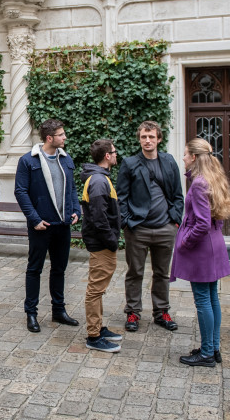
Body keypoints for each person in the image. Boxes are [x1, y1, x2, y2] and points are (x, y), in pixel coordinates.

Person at [14, 118, 82, 333]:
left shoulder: (66, 159)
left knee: (59, 269)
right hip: (41, 225)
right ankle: (31, 314)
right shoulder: (28, 161)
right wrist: (34, 219)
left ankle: (58, 310)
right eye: (61, 134)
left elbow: (71, 188)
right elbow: (21, 192)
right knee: (34, 269)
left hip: (63, 224)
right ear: (49, 138)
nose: (65, 137)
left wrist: (76, 210)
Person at [116, 121, 184, 333]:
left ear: (159, 139)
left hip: (165, 228)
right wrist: (127, 222)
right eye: (144, 137)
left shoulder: (169, 161)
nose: (148, 141)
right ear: (139, 138)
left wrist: (175, 220)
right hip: (138, 229)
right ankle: (133, 312)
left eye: (152, 137)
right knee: (135, 272)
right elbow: (121, 197)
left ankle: (161, 311)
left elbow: (177, 195)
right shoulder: (130, 163)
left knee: (162, 273)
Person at [172, 138, 230, 367]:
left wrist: (185, 242)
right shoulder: (212, 177)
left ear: (194, 158)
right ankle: (213, 347)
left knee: (203, 301)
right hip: (213, 245)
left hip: (202, 248)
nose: (184, 158)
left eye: (186, 154)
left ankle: (207, 353)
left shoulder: (198, 183)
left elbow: (202, 222)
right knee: (212, 298)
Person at [79, 139, 124, 353]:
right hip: (101, 244)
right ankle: (93, 336)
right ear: (107, 155)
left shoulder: (100, 178)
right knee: (95, 290)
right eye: (114, 152)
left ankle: (98, 327)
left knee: (98, 288)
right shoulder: (98, 181)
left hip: (103, 242)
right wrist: (112, 240)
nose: (116, 155)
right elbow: (99, 217)